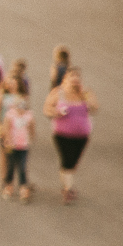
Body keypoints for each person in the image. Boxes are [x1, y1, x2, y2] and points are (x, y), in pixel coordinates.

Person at [43, 69, 95, 204]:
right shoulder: (58, 93)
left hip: (82, 136)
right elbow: (47, 109)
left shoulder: (85, 93)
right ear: (65, 79)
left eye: (77, 77)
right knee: (67, 161)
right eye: (72, 76)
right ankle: (68, 189)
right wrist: (55, 112)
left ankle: (67, 183)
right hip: (62, 135)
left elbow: (94, 107)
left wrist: (86, 95)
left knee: (73, 163)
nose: (75, 79)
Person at [0, 92, 34, 202]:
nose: (21, 106)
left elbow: (31, 129)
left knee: (22, 167)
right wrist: (7, 141)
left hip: (23, 146)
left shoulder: (28, 116)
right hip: (12, 146)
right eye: (18, 104)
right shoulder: (10, 115)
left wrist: (31, 139)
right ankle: (8, 185)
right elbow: (6, 128)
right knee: (10, 166)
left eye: (23, 104)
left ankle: (23, 188)